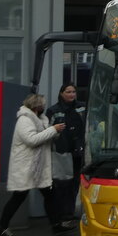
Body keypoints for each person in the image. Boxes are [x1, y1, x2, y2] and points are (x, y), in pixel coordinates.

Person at [0, 93, 75, 236]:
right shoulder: (24, 120)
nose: (44, 107)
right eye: (42, 105)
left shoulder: (40, 119)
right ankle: (2, 226)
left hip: (37, 166)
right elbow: (31, 140)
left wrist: (55, 132)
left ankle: (56, 225)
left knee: (49, 195)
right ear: (37, 106)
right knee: (19, 196)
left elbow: (44, 137)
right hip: (26, 166)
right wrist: (53, 130)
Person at [48, 83, 85, 219]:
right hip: (62, 151)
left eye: (73, 92)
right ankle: (61, 213)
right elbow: (48, 131)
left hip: (79, 151)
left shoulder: (82, 107)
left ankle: (69, 212)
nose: (71, 94)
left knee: (76, 182)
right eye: (68, 92)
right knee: (62, 183)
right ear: (62, 93)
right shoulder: (54, 110)